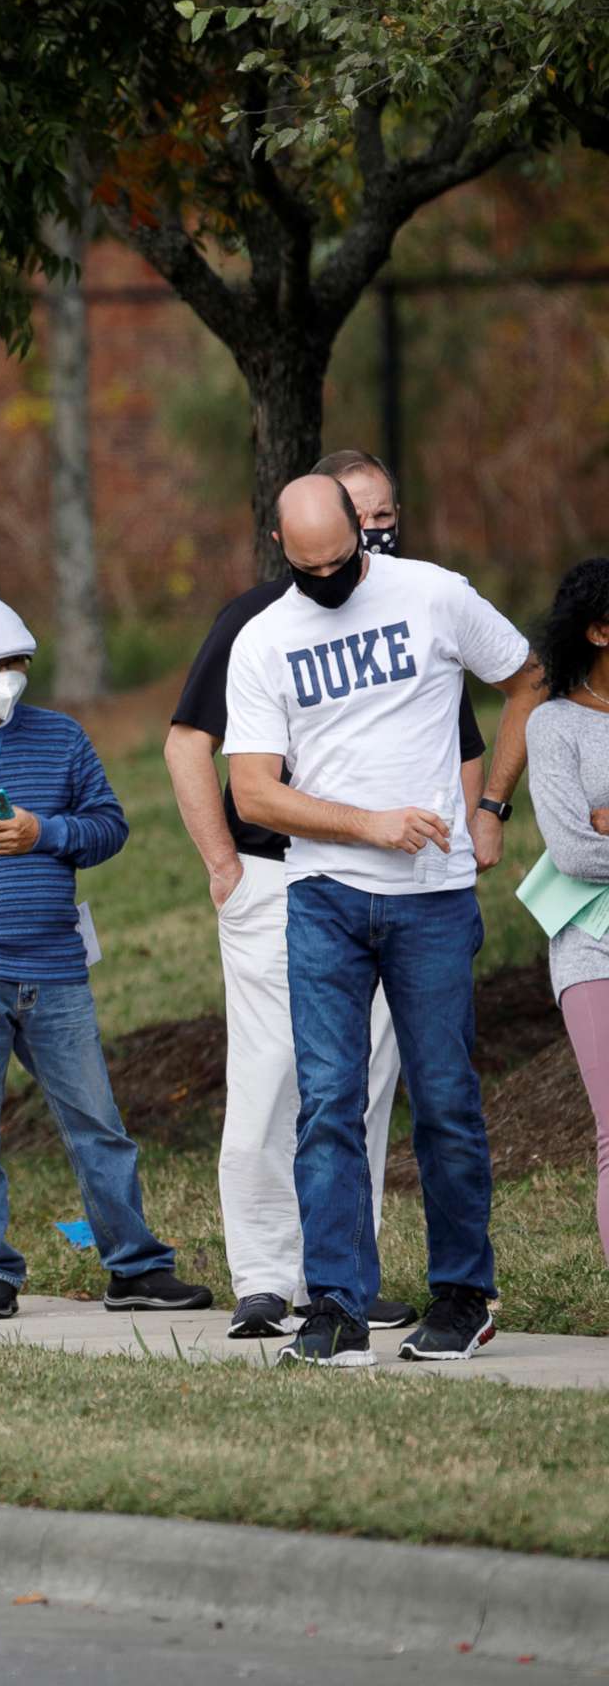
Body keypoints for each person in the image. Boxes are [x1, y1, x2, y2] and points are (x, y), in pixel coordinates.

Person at [226, 474, 544, 1367]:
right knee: (326, 1101)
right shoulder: (264, 640)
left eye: (344, 560)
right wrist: (368, 824)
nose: (331, 577)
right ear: (283, 549)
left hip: (433, 901)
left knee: (444, 1099)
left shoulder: (433, 594)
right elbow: (254, 790)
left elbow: (528, 678)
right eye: (311, 567)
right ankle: (335, 1304)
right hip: (324, 896)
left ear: (361, 535)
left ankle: (462, 1296)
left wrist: (493, 809)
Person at [166, 447, 483, 1337]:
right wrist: (223, 861)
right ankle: (266, 1276)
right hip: (283, 876)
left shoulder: (413, 604)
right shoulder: (256, 621)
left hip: (401, 883)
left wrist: (475, 820)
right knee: (277, 1081)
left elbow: (456, 731)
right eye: (362, 516)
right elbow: (188, 743)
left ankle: (341, 1275)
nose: (375, 533)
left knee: (371, 1084)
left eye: (382, 517)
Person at [0, 594, 213, 1321]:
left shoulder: (62, 739)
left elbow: (109, 827)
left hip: (57, 967)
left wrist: (46, 834)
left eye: (17, 664)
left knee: (97, 1122)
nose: (6, 677)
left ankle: (133, 1266)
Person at [518, 558, 609, 1265]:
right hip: (592, 950)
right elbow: (575, 852)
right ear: (600, 631)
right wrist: (593, 823)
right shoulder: (554, 726)